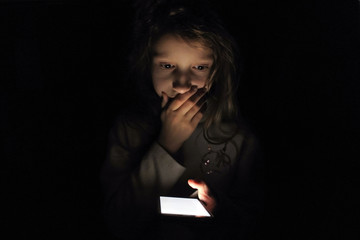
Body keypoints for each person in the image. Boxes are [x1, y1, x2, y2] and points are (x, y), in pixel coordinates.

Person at [100, 0, 264, 239]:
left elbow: (253, 220)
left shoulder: (239, 139)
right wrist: (166, 144)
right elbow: (119, 220)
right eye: (167, 65)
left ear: (217, 70)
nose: (182, 83)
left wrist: (218, 211)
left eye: (199, 67)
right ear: (148, 66)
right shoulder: (130, 129)